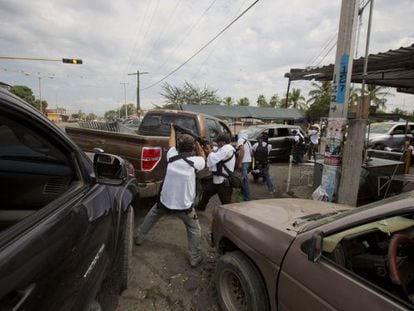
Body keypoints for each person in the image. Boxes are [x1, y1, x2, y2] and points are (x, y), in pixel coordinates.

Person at [134, 124, 206, 268]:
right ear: (192, 148)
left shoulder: (171, 156)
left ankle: (139, 238)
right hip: (184, 207)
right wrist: (198, 143)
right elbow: (203, 156)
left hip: (164, 202)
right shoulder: (196, 162)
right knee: (194, 230)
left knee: (151, 216)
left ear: (179, 147)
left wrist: (173, 129)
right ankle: (194, 257)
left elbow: (171, 143)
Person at [197, 133, 236, 211]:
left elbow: (213, 157)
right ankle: (200, 208)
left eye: (218, 141)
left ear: (223, 142)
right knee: (206, 193)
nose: (217, 143)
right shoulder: (224, 148)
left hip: (224, 182)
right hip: (217, 180)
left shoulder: (227, 149)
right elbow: (215, 150)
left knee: (226, 204)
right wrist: (208, 146)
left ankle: (229, 219)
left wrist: (209, 151)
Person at [236, 131, 253, 201]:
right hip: (248, 162)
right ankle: (243, 193)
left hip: (244, 162)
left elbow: (242, 151)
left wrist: (239, 162)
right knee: (243, 179)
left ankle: (247, 197)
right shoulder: (248, 142)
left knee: (244, 180)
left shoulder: (240, 140)